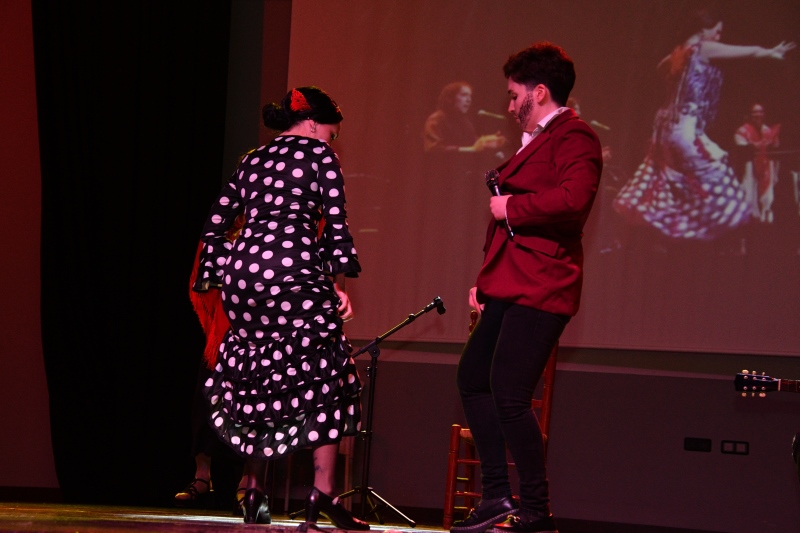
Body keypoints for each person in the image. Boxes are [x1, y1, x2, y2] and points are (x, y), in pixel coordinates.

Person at [192, 86, 369, 529]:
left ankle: (254, 489)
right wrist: (335, 286)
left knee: (259, 372)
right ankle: (322, 494)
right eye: (330, 131)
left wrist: (226, 268)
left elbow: (215, 224)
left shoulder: (253, 159)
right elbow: (335, 224)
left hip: (244, 278)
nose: (330, 139)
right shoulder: (320, 157)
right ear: (311, 124)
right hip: (293, 271)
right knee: (329, 374)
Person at [454, 42, 602, 533]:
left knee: (510, 392)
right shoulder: (535, 140)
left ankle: (537, 510)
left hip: (542, 283)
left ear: (538, 93)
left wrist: (511, 206)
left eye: (514, 94)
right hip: (512, 282)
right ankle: (497, 494)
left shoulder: (574, 135)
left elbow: (574, 200)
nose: (509, 104)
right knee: (474, 377)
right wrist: (484, 281)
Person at [614, 10, 795, 241]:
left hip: (663, 129)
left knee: (673, 181)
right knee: (723, 188)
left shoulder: (678, 53)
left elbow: (661, 68)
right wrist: (768, 52)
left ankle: (662, 235)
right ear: (702, 30)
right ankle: (698, 234)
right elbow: (743, 52)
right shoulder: (701, 48)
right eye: (716, 31)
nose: (718, 37)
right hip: (683, 128)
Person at [423, 81, 506, 155]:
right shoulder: (436, 119)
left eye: (470, 96)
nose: (469, 100)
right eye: (464, 95)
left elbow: (472, 142)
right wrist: (472, 149)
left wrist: (489, 141)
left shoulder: (464, 121)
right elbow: (433, 149)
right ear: (450, 98)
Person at [734, 103, 781, 223]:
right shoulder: (742, 131)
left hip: (766, 166)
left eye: (760, 112)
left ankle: (766, 216)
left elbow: (775, 149)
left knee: (767, 195)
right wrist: (755, 146)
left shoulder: (768, 131)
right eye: (755, 112)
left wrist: (773, 144)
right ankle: (750, 219)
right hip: (749, 167)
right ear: (750, 115)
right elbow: (741, 150)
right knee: (749, 195)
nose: (758, 115)